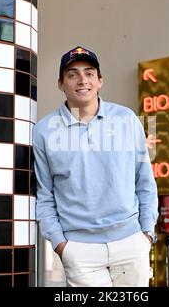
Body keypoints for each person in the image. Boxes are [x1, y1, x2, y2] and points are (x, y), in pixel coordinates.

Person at [33, 46, 158, 287]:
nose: (82, 80)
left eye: (89, 73)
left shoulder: (127, 119)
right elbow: (44, 194)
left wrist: (146, 234)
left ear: (100, 80)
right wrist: (61, 245)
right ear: (60, 83)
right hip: (80, 250)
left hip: (131, 242)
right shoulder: (44, 131)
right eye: (72, 74)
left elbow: (145, 180)